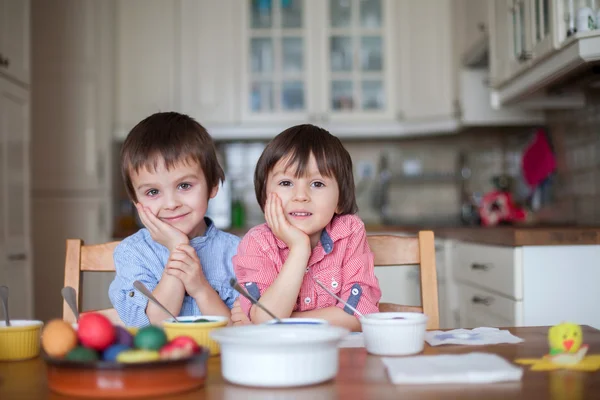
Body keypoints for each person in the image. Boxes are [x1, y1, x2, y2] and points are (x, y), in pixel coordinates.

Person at [232, 124, 381, 331]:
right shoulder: (257, 242)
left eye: (317, 184)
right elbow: (267, 320)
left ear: (339, 200)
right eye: (286, 183)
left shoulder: (349, 231)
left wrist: (285, 319)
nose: (300, 196)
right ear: (265, 195)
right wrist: (300, 248)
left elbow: (361, 316)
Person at [109, 112, 240, 327]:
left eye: (184, 186)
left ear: (213, 185)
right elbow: (153, 327)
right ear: (135, 200)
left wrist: (200, 288)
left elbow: (235, 332)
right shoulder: (132, 253)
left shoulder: (238, 252)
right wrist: (178, 247)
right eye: (152, 192)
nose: (171, 204)